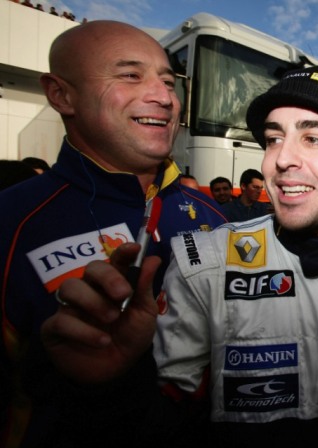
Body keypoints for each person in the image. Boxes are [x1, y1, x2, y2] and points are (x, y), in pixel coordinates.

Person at [41, 62, 318, 448]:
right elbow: (167, 413)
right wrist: (109, 385)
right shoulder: (205, 263)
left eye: (313, 138)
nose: (281, 159)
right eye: (274, 138)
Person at [0, 20, 227, 448]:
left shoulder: (215, 216)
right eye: (130, 75)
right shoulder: (12, 221)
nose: (164, 97)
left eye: (168, 81)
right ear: (61, 95)